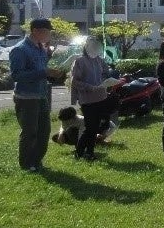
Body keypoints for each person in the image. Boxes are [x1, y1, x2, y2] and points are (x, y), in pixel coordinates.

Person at [9, 18, 62, 172]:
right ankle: (27, 164)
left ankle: (36, 162)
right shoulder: (20, 49)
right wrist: (44, 72)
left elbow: (43, 70)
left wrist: (53, 74)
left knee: (44, 131)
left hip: (41, 95)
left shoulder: (41, 48)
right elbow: (16, 75)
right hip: (26, 97)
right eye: (47, 32)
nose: (49, 35)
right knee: (30, 132)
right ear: (35, 31)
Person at [70, 38, 119, 161]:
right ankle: (79, 152)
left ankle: (89, 153)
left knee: (95, 127)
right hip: (87, 99)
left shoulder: (100, 60)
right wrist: (90, 87)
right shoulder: (79, 61)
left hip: (101, 97)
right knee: (90, 127)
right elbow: (75, 81)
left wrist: (109, 80)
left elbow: (106, 74)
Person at [52, 106, 116, 147]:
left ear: (73, 117)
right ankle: (98, 142)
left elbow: (82, 135)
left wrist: (104, 135)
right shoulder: (65, 120)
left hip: (89, 134)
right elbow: (63, 126)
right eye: (63, 120)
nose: (65, 122)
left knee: (72, 132)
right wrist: (61, 134)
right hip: (76, 134)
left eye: (66, 121)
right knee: (55, 137)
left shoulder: (82, 120)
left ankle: (97, 141)